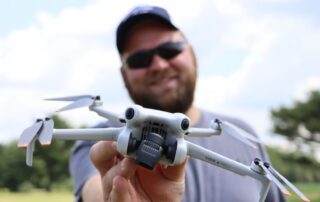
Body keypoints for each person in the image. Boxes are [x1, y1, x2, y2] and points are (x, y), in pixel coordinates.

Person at [69, 5, 286, 202]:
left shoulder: (243, 137)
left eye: (170, 50)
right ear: (124, 76)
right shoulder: (97, 142)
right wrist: (114, 193)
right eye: (139, 60)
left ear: (192, 55)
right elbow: (95, 189)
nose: (159, 65)